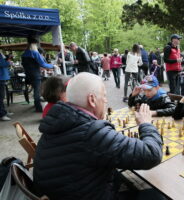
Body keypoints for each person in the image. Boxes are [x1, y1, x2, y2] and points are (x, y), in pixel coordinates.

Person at [33, 72, 163, 200]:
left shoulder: (57, 122)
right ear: (92, 100)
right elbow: (152, 154)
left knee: (126, 178)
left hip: (66, 192)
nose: (106, 101)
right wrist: (146, 124)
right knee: (158, 196)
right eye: (104, 96)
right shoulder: (92, 133)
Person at [22, 37, 53, 112]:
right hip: (35, 75)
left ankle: (36, 105)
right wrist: (52, 66)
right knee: (37, 92)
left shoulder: (24, 54)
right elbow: (43, 64)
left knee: (35, 91)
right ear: (34, 44)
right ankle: (38, 108)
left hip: (28, 75)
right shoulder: (35, 53)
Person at [0, 52, 13, 121]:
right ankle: (2, 114)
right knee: (0, 97)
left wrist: (8, 58)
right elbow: (1, 63)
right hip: (0, 78)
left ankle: (3, 112)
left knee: (2, 97)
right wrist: (8, 62)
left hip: (2, 78)